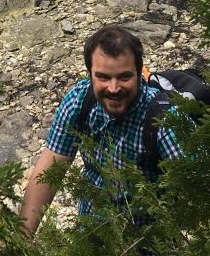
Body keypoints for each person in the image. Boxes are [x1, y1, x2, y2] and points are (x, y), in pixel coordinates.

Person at [19, 25, 183, 237]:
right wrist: (22, 240)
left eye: (124, 77)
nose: (114, 88)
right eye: (103, 77)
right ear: (90, 75)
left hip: (154, 247)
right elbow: (50, 169)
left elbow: (199, 190)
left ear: (138, 72)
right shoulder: (79, 101)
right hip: (90, 235)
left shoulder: (164, 118)